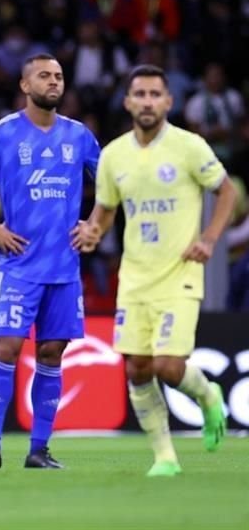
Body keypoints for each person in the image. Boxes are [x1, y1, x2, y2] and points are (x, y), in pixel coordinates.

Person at [73, 64, 234, 477]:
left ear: (168, 101)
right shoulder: (114, 155)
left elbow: (226, 190)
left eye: (154, 94)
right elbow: (106, 209)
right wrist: (93, 229)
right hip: (135, 277)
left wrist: (210, 239)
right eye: (139, 94)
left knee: (167, 365)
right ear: (127, 102)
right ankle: (165, 458)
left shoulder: (190, 147)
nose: (147, 101)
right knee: (137, 369)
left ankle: (208, 394)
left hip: (180, 274)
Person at [0, 53, 101, 469]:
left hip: (65, 269)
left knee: (51, 353)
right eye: (44, 76)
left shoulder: (80, 136)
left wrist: (95, 225)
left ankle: (39, 450)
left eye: (59, 76)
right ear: (25, 85)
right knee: (7, 347)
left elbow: (113, 186)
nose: (54, 82)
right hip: (20, 267)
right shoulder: (3, 133)